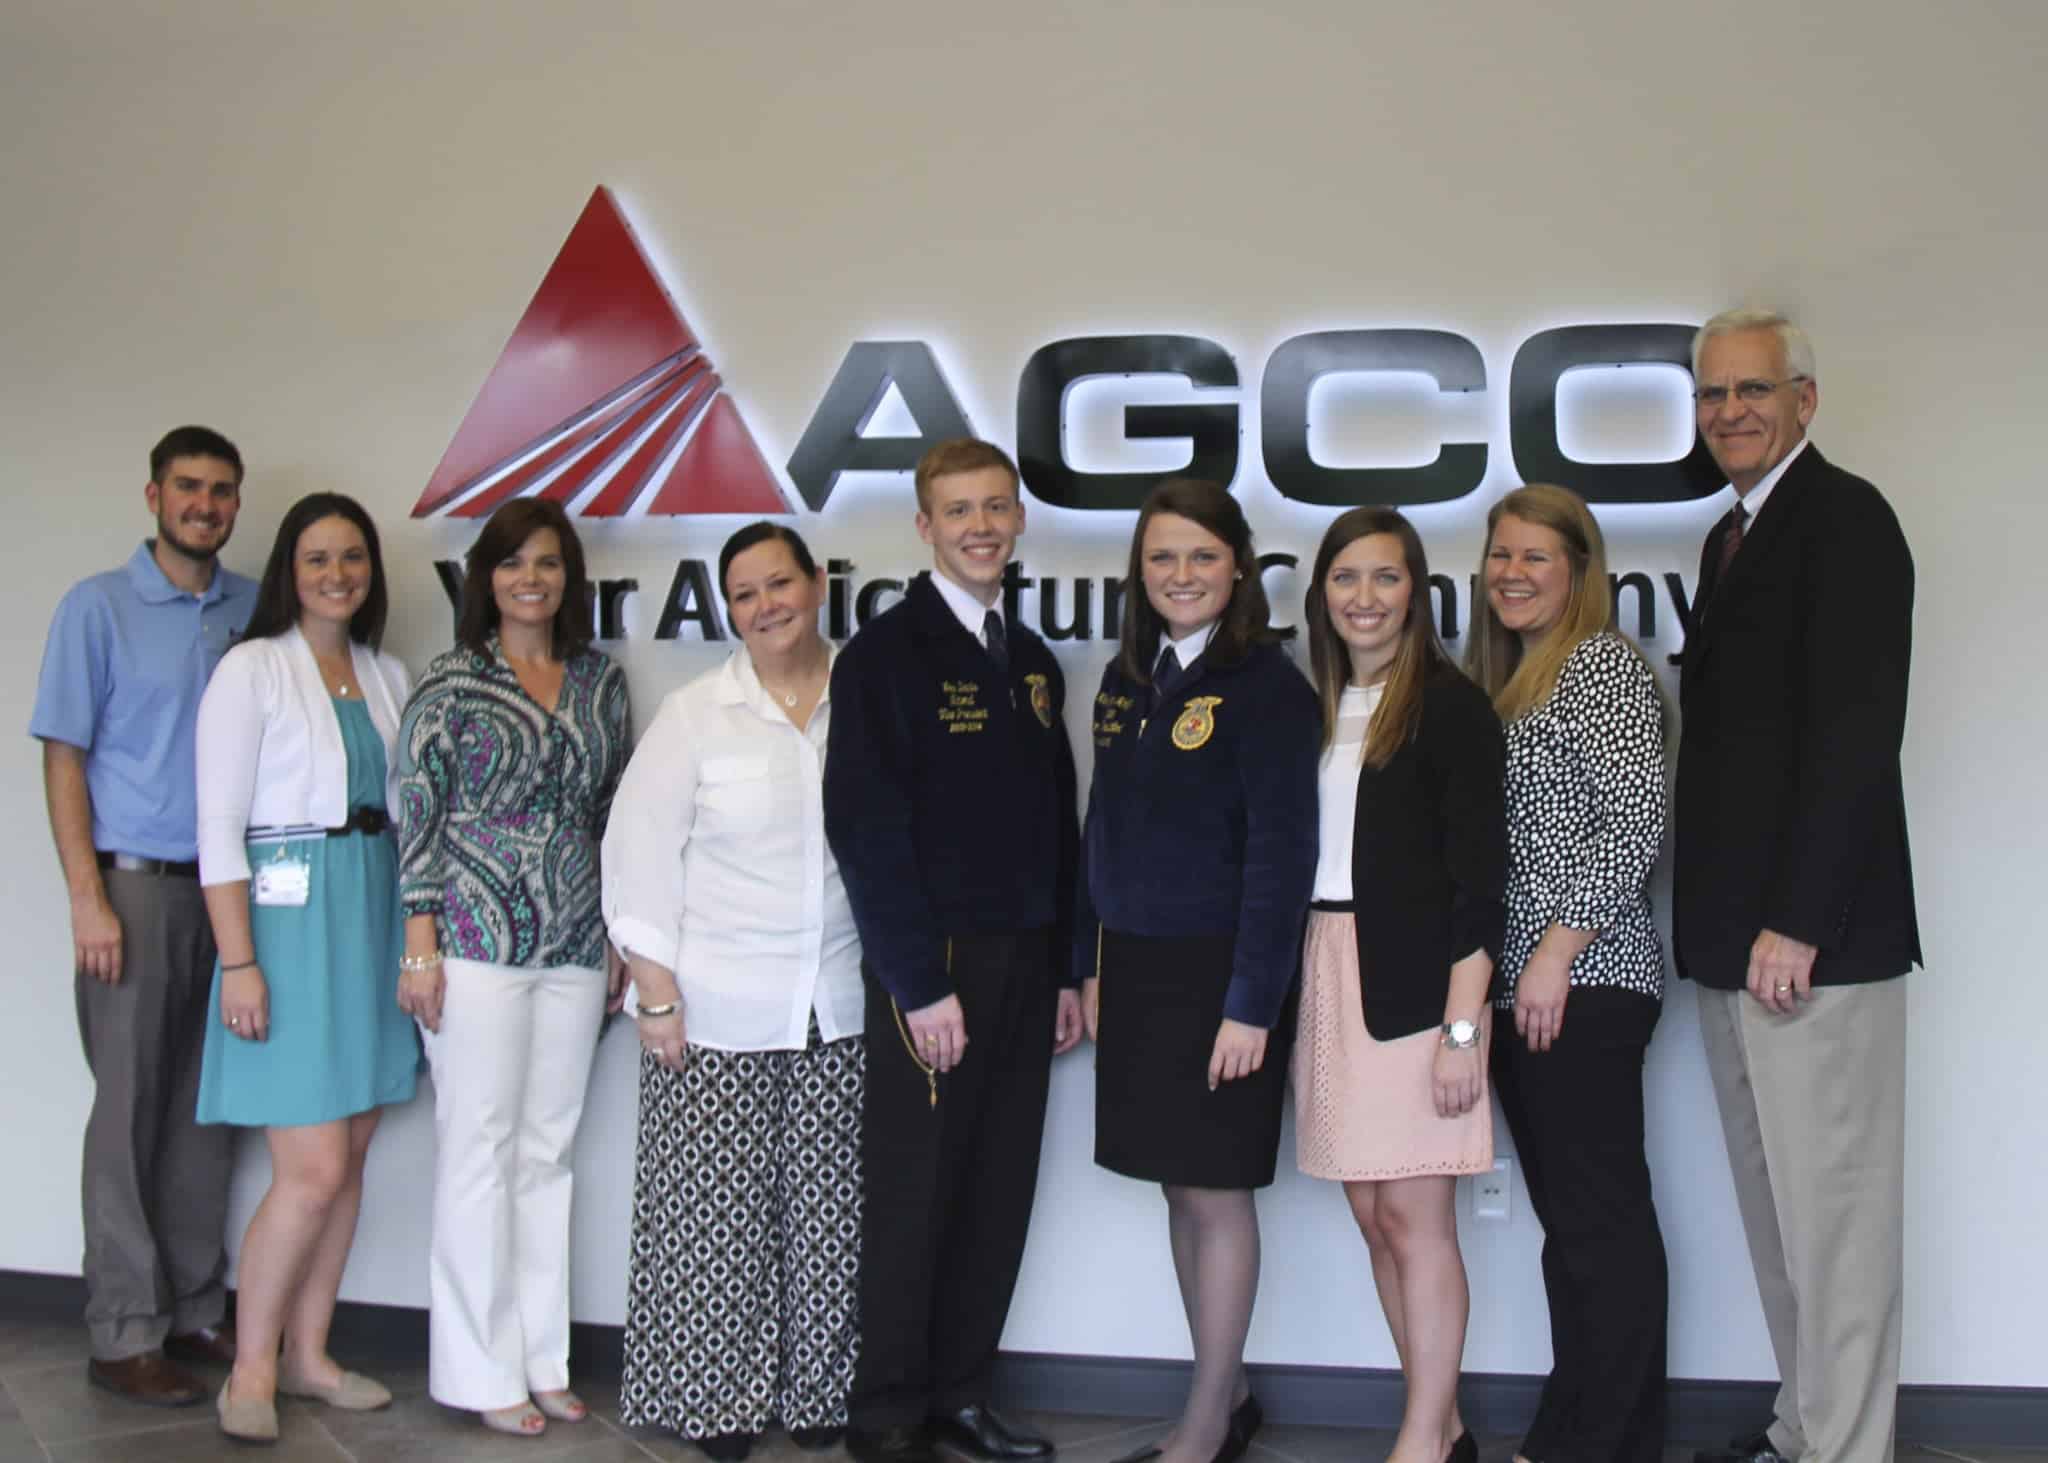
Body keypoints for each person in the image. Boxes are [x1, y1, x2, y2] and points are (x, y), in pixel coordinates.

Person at [1677, 310, 1918, 1463]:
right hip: (1736, 944)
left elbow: (1853, 735)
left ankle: (1846, 1446)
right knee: (1781, 1223)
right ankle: (1803, 1426)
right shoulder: (1729, 537)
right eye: (1713, 393)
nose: (1729, 411)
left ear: (1804, 399)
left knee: (1837, 1226)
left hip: (1810, 944)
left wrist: (1795, 919)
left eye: (1751, 390)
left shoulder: (1846, 520)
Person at [823, 438, 1080, 1463]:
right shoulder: (884, 656)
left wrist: (1063, 967)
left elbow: (1058, 823)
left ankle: (962, 1393)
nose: (979, 525)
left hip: (1025, 965)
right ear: (923, 526)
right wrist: (917, 980)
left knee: (995, 1181)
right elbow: (865, 830)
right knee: (915, 1188)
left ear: (1018, 520)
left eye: (995, 506)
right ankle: (886, 1411)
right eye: (957, 509)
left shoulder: (1031, 659)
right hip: (929, 971)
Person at [603, 522, 864, 1460]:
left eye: (780, 582)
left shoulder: (865, 700)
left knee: (829, 1215)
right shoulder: (695, 713)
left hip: (837, 999)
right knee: (713, 1221)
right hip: (713, 1007)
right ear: (729, 608)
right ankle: (715, 1401)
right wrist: (656, 991)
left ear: (816, 586)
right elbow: (635, 853)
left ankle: (820, 1390)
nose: (765, 604)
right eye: (745, 592)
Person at [1075, 479, 1318, 1463]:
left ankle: (1207, 1418)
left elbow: (1280, 856)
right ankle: (1230, 1389)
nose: (1181, 574)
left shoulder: (1267, 686)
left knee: (1215, 1192)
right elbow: (1100, 827)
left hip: (1222, 982)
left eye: (1201, 555)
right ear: (1141, 570)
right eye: (1162, 556)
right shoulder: (1126, 676)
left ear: (1238, 568)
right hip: (1135, 973)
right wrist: (1089, 960)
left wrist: (1251, 1003)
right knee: (1179, 1188)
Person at [394, 497, 632, 1439]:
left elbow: (616, 810)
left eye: (547, 562)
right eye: (511, 563)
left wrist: (616, 932)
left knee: (547, 1152)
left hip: (575, 945)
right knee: (478, 1151)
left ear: (569, 576)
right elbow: (418, 810)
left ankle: (541, 1357)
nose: (530, 578)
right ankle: (477, 1366)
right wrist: (420, 943)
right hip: (471, 942)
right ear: (484, 578)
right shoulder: (451, 679)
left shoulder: (600, 682)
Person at [29, 426, 257, 1406]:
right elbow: (63, 757)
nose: (205, 504)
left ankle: (197, 1305)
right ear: (154, 495)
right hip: (134, 885)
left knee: (209, 1112)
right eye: (189, 487)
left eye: (221, 490)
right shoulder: (99, 607)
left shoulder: (255, 608)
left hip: (233, 895)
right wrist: (87, 897)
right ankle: (123, 1328)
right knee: (127, 1112)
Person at [192, 493, 419, 1441]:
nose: (337, 573)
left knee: (354, 1149)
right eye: (318, 557)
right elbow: (216, 830)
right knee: (312, 1166)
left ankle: (310, 1357)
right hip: (285, 925)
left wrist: (415, 937)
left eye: (353, 557)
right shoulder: (252, 669)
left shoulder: (385, 669)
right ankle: (248, 1370)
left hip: (372, 908)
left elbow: (412, 810)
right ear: (291, 567)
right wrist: (237, 961)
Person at [1294, 507, 1505, 1463]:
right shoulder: (1320, 703)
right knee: (1373, 1214)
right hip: (1333, 972)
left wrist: (1464, 1035)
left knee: (1418, 1220)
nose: (1365, 597)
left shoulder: (1449, 706)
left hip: (1421, 992)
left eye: (1385, 577)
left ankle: (1420, 1437)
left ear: (1416, 592)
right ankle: (1444, 1422)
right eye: (1346, 578)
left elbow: (1480, 884)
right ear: (1322, 595)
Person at [1465, 484, 1669, 1463]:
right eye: (1499, 554)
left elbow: (1632, 819)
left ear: (1579, 572)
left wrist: (1551, 953)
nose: (1510, 571)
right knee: (1575, 1227)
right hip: (1530, 986)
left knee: (1597, 1222)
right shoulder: (1519, 675)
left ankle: (1609, 1437)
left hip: (1582, 982)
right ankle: (1575, 1427)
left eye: (1534, 556)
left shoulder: (1594, 666)